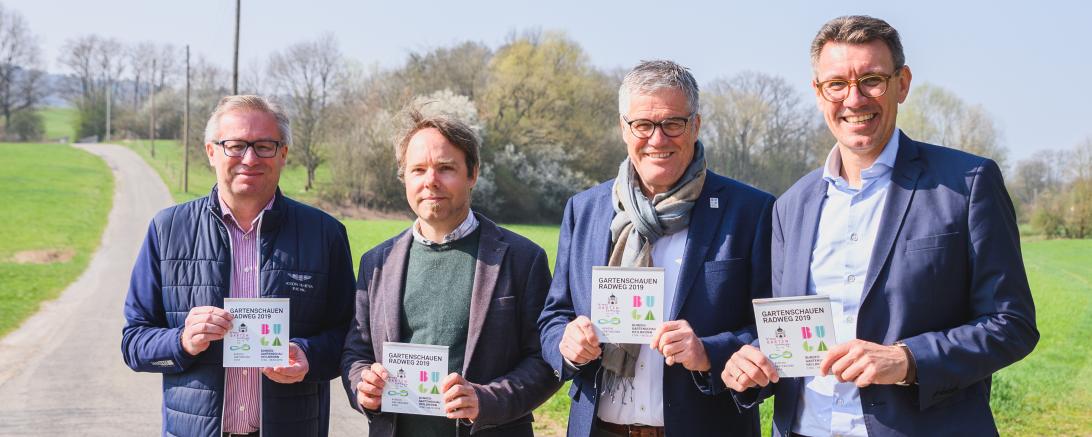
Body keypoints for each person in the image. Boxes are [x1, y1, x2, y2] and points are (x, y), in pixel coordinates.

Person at [721, 15, 1039, 437]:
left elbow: (1011, 323)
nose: (854, 99)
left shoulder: (967, 184)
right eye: (836, 84)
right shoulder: (790, 206)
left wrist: (908, 361)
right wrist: (751, 361)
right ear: (818, 93)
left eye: (871, 79)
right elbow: (789, 334)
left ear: (901, 83)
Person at [538, 60, 774, 437]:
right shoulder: (584, 209)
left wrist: (707, 353)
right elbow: (555, 315)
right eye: (643, 125)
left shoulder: (751, 211)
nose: (657, 139)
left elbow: (773, 332)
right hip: (601, 429)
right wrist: (565, 343)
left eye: (672, 124)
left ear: (695, 125)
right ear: (623, 128)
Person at [121, 95, 356, 437]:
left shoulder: (325, 234)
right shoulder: (167, 230)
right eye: (235, 145)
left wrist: (309, 356)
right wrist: (182, 341)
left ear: (284, 154)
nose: (249, 158)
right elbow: (134, 342)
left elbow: (350, 339)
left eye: (264, 146)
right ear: (211, 151)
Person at [341, 109, 561, 436]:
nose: (431, 181)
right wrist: (363, 386)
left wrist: (486, 400)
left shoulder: (522, 259)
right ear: (405, 178)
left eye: (445, 168)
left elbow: (545, 362)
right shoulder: (377, 262)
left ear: (472, 174)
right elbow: (356, 353)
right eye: (418, 170)